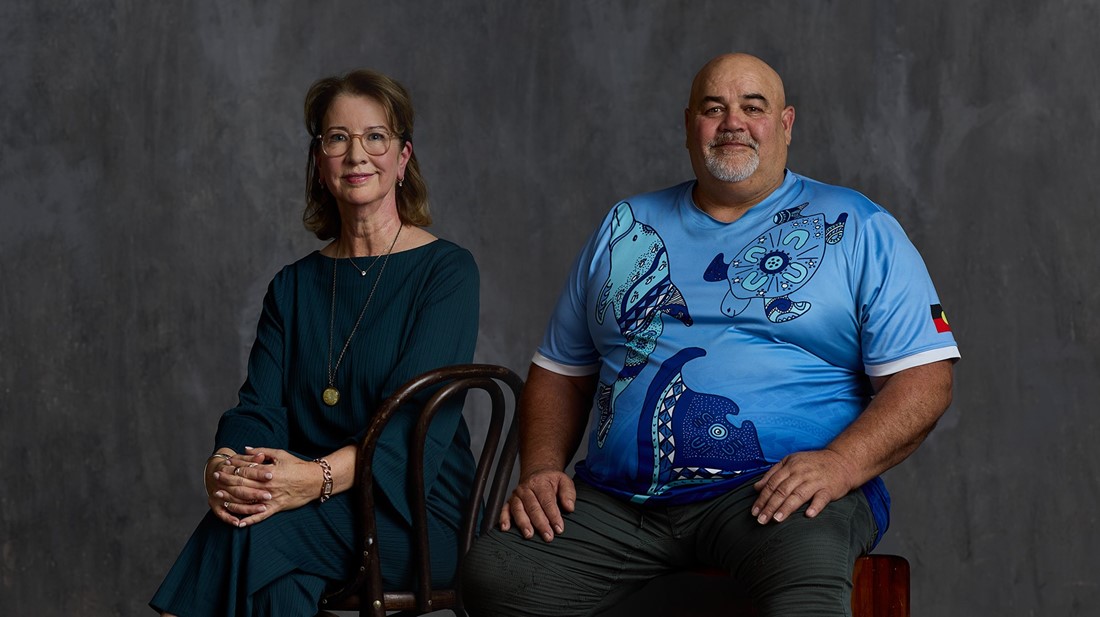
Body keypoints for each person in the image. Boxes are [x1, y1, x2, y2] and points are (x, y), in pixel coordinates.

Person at [462, 53, 959, 617]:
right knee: (499, 576)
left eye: (753, 107)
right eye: (713, 108)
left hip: (776, 493)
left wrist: (841, 464)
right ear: (688, 124)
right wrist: (543, 469)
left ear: (787, 124)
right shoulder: (627, 227)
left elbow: (925, 380)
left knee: (804, 597)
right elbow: (559, 373)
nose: (733, 123)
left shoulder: (859, 226)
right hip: (622, 500)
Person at [150, 69, 480, 616]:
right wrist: (228, 465)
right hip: (305, 508)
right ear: (319, 162)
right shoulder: (292, 286)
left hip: (418, 514)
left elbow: (411, 429)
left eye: (376, 136)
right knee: (269, 556)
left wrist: (315, 479)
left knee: (254, 533)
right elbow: (258, 406)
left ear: (403, 160)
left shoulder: (446, 271)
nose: (357, 154)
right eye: (337, 138)